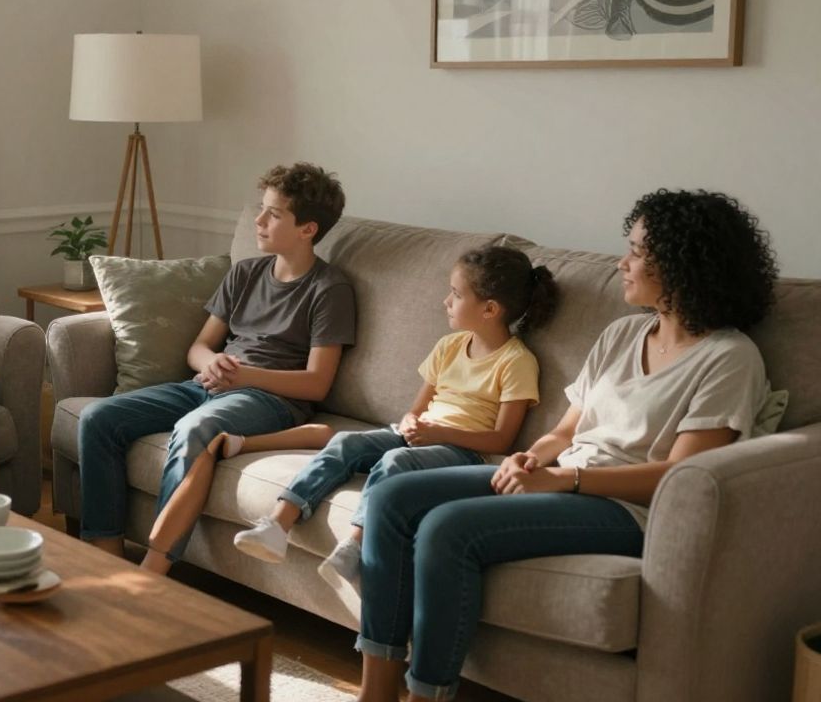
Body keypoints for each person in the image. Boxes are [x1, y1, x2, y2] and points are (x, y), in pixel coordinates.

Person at [354, 189, 778, 702]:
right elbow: (565, 432)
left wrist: (565, 479)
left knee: (447, 528)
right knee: (392, 497)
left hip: (629, 510)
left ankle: (427, 696)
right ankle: (376, 692)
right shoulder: (622, 334)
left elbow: (680, 476)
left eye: (637, 252)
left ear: (682, 264)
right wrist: (532, 457)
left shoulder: (729, 358)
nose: (622, 264)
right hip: (566, 478)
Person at [228, 246, 558, 597]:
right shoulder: (449, 346)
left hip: (463, 452)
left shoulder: (516, 362)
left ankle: (356, 546)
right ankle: (278, 524)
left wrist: (437, 432)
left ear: (490, 309)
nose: (446, 301)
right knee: (345, 441)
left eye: (457, 294)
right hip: (421, 435)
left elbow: (502, 440)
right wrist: (413, 422)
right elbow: (416, 409)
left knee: (395, 460)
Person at [77, 162, 356, 574]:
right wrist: (213, 362)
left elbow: (316, 384)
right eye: (261, 210)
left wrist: (243, 376)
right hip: (207, 384)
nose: (259, 221)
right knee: (98, 418)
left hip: (271, 399)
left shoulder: (329, 289)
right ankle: (105, 554)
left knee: (196, 428)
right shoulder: (245, 273)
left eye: (274, 214)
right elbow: (199, 347)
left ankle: (153, 572)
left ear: (308, 229)